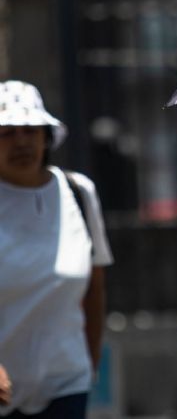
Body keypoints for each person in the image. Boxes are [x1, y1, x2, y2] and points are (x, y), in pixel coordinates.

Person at [0, 81, 113, 418]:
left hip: (66, 382)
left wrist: (89, 366)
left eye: (30, 130)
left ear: (46, 137)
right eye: (6, 132)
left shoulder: (79, 192)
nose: (21, 142)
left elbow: (95, 289)